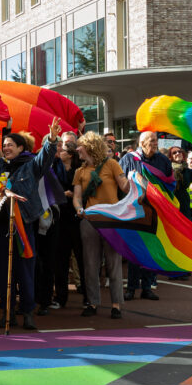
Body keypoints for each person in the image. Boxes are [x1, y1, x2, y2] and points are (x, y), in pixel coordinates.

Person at [0, 108, 61, 330]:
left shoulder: (31, 166)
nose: (6, 148)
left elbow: (45, 157)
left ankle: (28, 314)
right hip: (2, 228)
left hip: (24, 228)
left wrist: (51, 139)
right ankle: (8, 313)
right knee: (5, 273)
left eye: (10, 145)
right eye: (4, 146)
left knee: (25, 272)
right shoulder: (0, 167)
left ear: (21, 148)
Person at [73, 132, 128, 318]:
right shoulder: (79, 172)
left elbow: (124, 186)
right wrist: (79, 209)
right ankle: (92, 303)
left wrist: (135, 181)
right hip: (89, 220)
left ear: (89, 147)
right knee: (90, 264)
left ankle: (116, 305)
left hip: (111, 220)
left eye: (80, 146)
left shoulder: (112, 164)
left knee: (114, 263)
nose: (77, 149)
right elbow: (77, 197)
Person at [120, 132, 175, 300]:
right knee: (135, 251)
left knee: (151, 249)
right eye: (152, 141)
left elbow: (170, 183)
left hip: (154, 211)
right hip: (134, 210)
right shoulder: (129, 159)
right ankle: (131, 288)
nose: (155, 144)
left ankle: (147, 287)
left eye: (156, 141)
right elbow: (120, 181)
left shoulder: (163, 160)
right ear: (142, 143)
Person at [50, 138, 82, 309]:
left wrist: (74, 195)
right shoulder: (54, 166)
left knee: (80, 256)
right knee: (60, 259)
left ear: (70, 154)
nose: (59, 151)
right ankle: (60, 296)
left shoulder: (79, 170)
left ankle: (86, 295)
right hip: (60, 218)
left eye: (62, 149)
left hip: (76, 218)